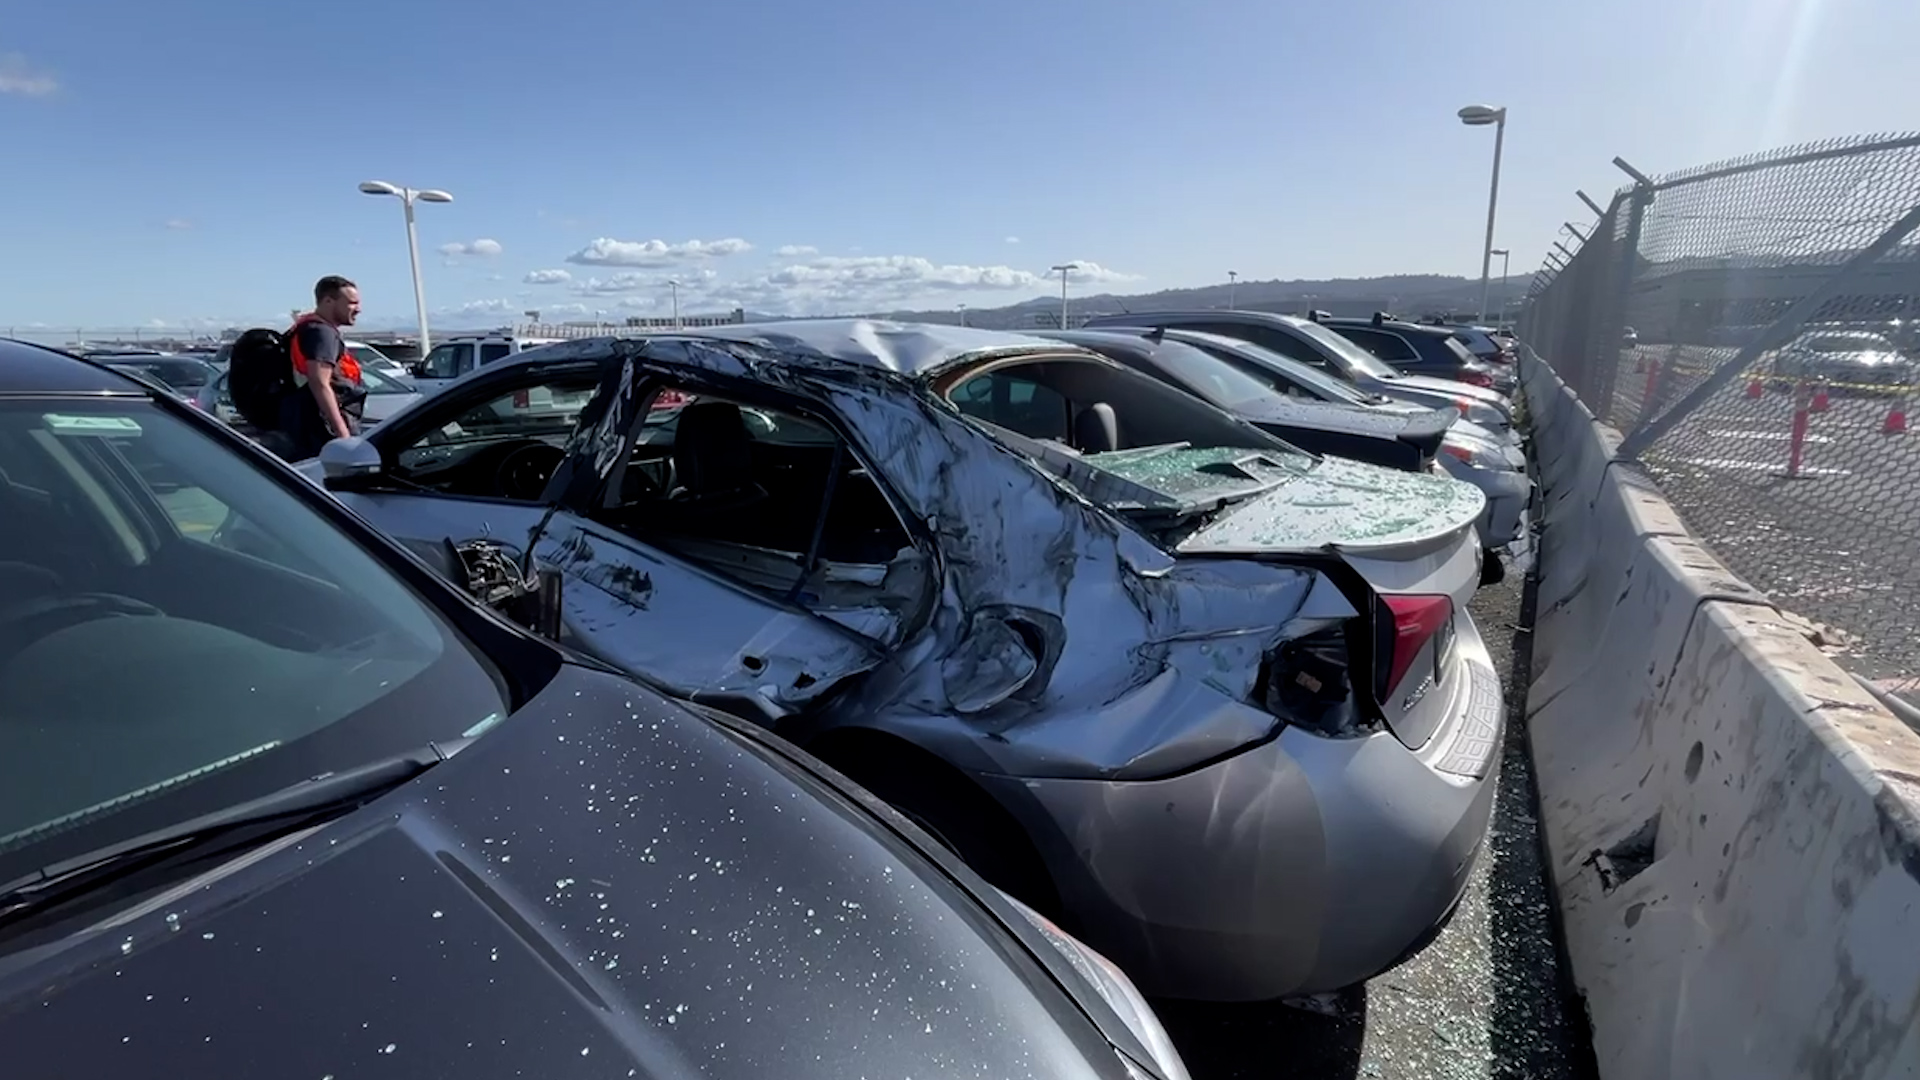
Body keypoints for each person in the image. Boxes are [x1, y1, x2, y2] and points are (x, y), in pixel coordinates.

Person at [279, 275, 367, 459]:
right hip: (321, 429)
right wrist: (343, 436)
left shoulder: (306, 328)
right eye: (352, 303)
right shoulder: (321, 333)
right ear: (328, 301)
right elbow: (319, 383)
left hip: (307, 423)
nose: (358, 309)